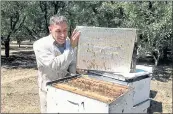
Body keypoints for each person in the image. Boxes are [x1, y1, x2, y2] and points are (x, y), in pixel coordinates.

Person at [33, 15, 80, 113]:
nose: (63, 35)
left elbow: (72, 62)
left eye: (65, 30)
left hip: (67, 90)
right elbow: (54, 65)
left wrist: (74, 77)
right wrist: (71, 48)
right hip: (48, 92)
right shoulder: (40, 44)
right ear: (50, 29)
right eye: (58, 31)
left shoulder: (68, 42)